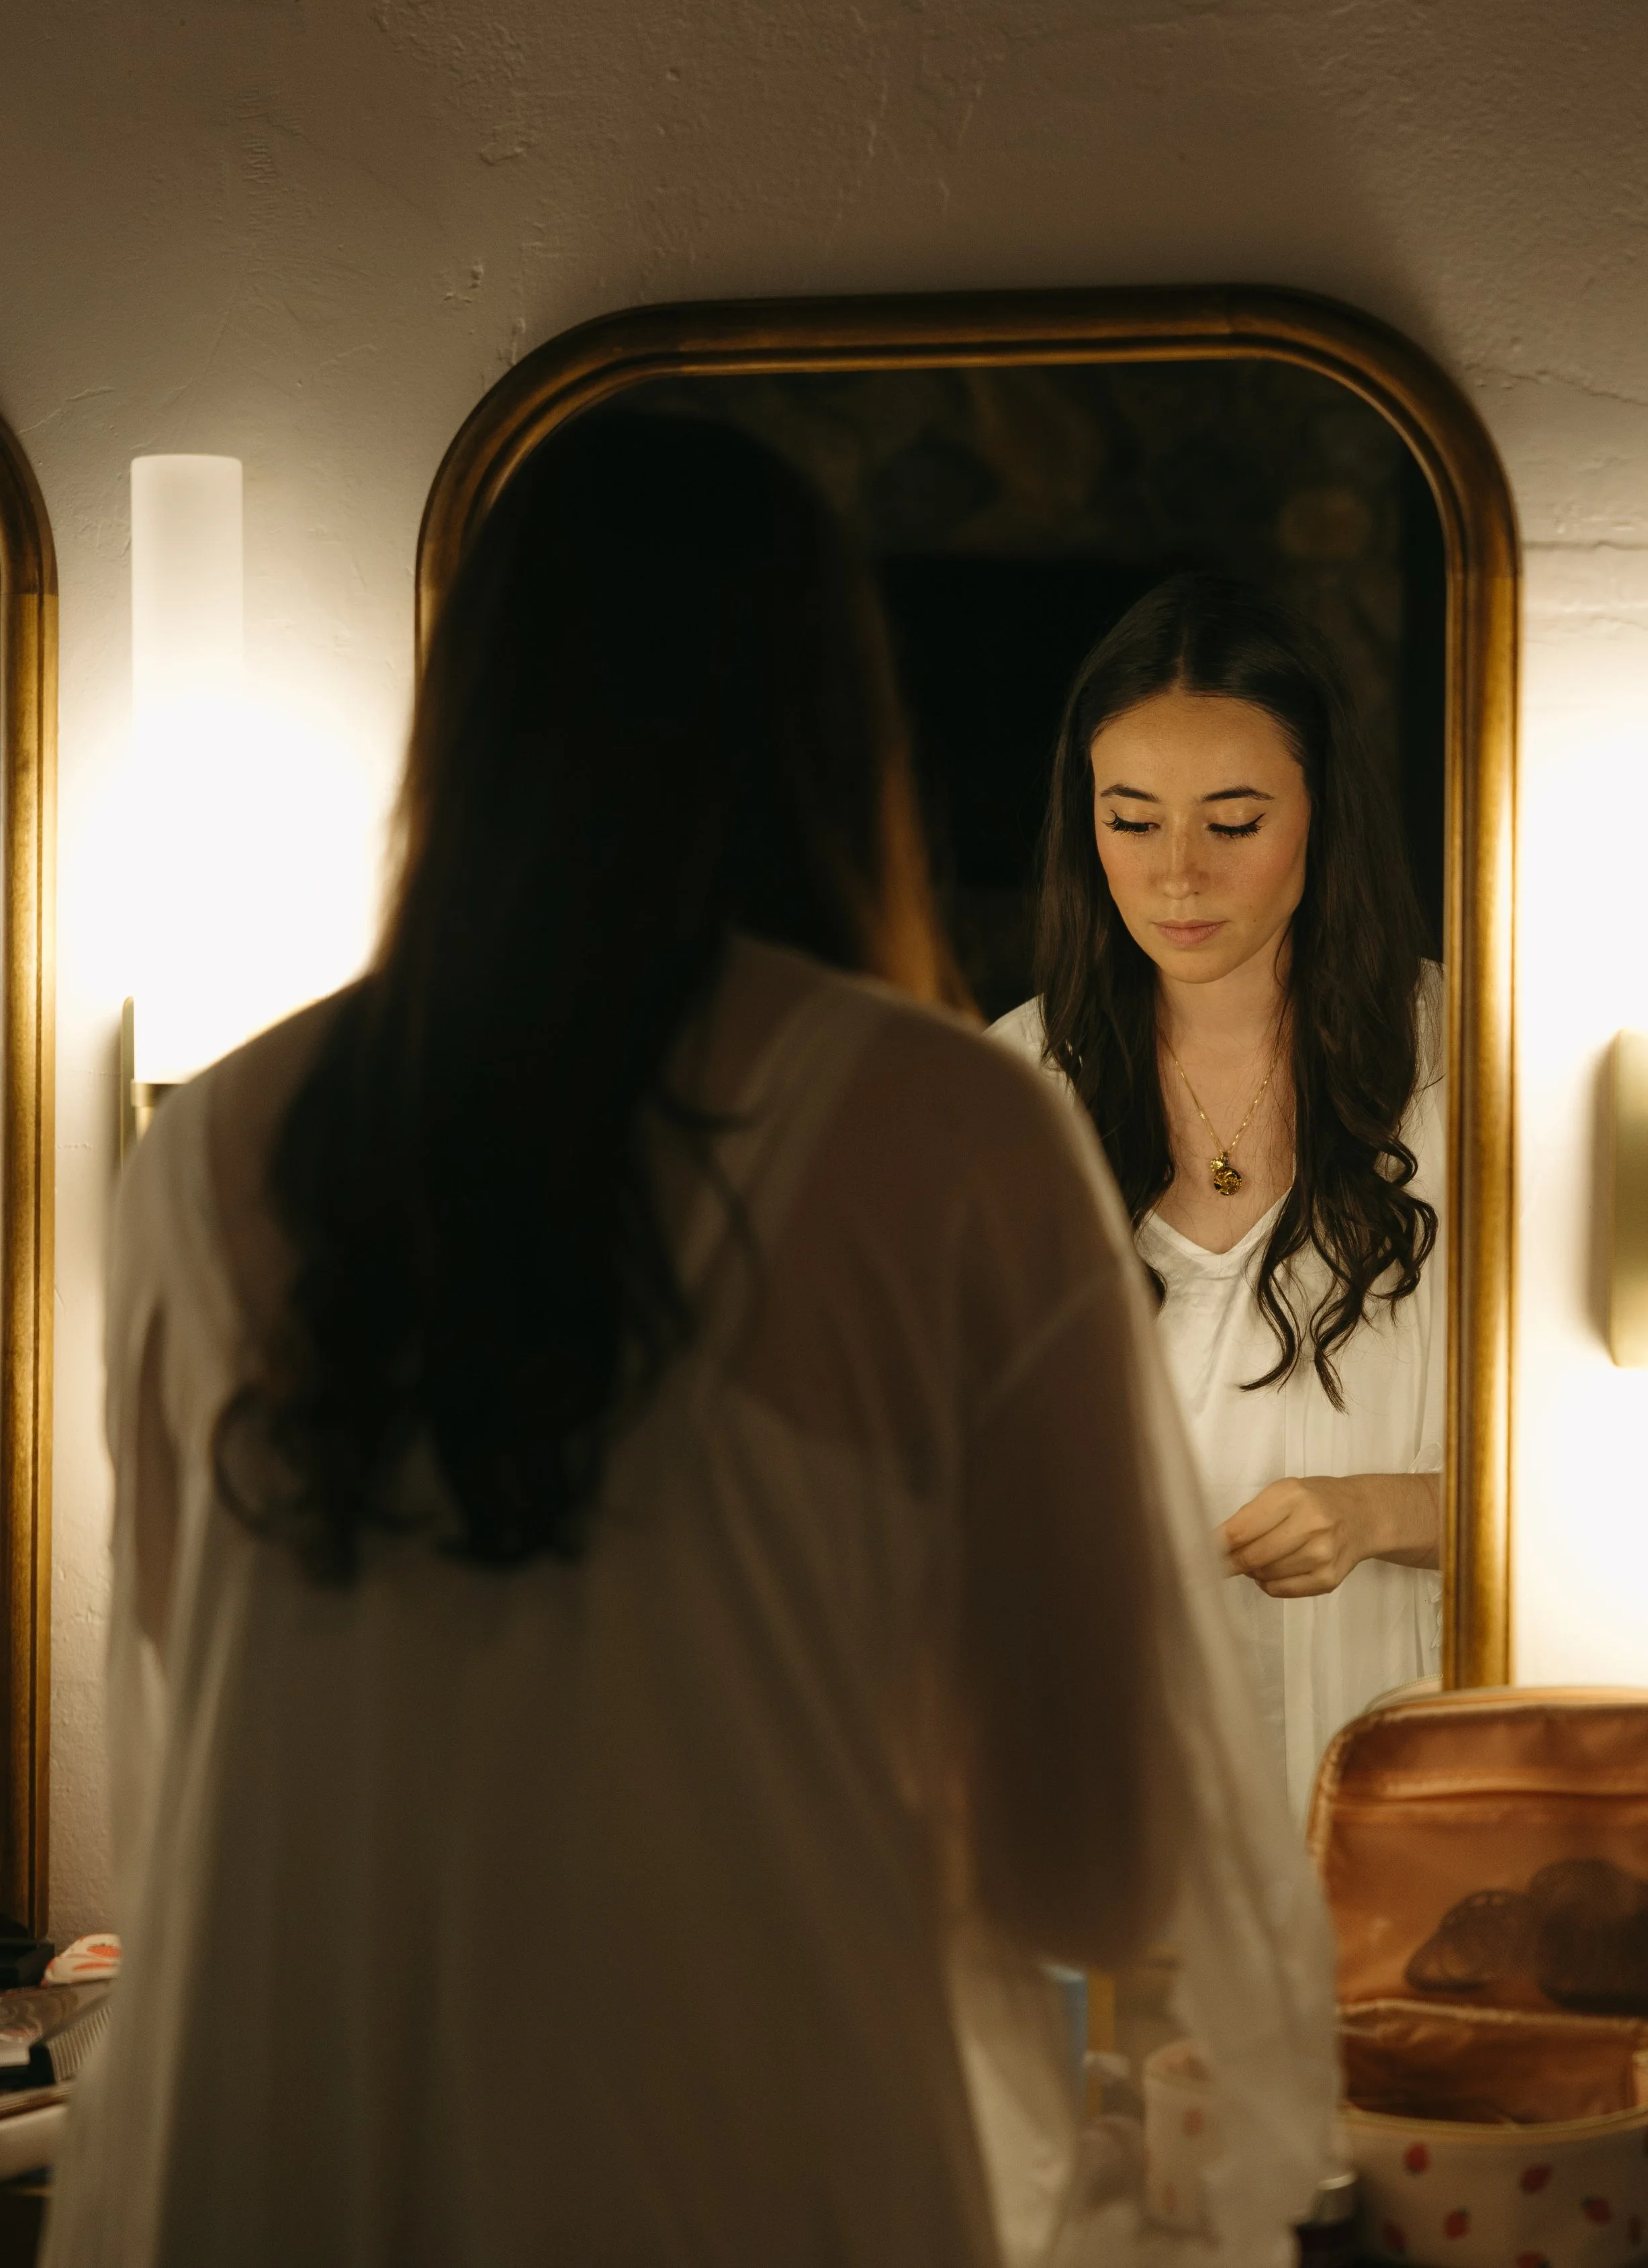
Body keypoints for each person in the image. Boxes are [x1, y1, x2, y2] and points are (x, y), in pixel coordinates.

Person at [48, 423, 1333, 2268]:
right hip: (736, 2146)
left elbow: (197, 1693)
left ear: (461, 728)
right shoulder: (948, 1130)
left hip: (280, 2148)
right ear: (834, 732)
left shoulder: (211, 1147)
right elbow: (1095, 1859)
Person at [993, 575, 1443, 1823]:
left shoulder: (1473, 1077)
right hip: (1099, 1782)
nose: (1178, 875)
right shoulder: (1006, 1090)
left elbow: (1602, 1473)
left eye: (1234, 823)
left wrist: (1379, 1510)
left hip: (1392, 1778)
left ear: (1322, 815)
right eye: (1132, 821)